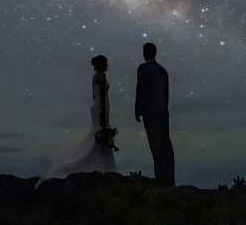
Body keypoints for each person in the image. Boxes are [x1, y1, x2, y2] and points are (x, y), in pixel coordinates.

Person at [37, 55, 117, 185]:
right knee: (99, 135)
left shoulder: (95, 76)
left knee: (96, 135)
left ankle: (101, 165)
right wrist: (103, 116)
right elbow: (102, 97)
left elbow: (94, 95)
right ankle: (89, 166)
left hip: (97, 107)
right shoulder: (101, 76)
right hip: (101, 109)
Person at [135, 42, 175, 186]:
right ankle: (168, 178)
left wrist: (138, 109)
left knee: (156, 145)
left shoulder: (143, 68)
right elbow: (166, 95)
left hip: (151, 112)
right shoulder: (162, 71)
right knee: (164, 144)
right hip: (163, 112)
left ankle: (162, 179)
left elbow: (141, 90)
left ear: (146, 53)